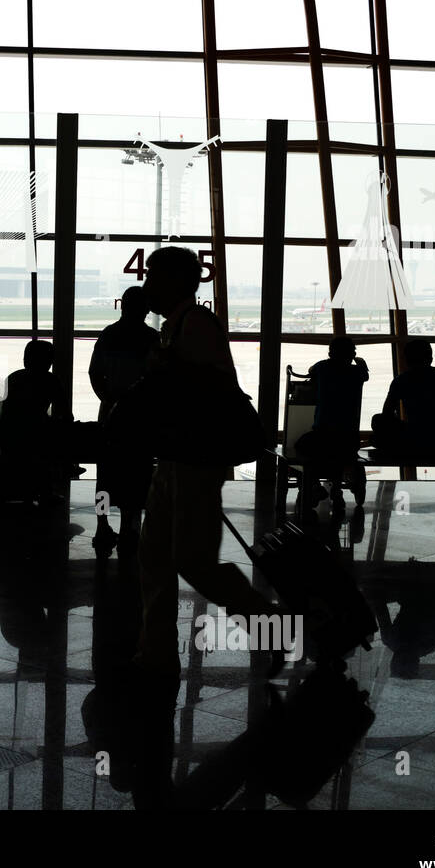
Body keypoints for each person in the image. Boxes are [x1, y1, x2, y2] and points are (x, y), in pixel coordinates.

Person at [136, 246, 275, 676]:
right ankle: (156, 650)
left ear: (177, 282)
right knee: (155, 556)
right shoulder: (176, 327)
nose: (147, 286)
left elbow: (203, 388)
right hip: (176, 458)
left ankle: (270, 627)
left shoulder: (194, 326)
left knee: (191, 560)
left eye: (154, 277)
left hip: (195, 460)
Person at [90, 286, 158, 553]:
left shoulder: (108, 335)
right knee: (139, 474)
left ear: (122, 307)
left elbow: (95, 374)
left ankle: (102, 523)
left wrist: (108, 400)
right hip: (140, 418)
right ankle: (132, 525)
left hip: (111, 415)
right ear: (146, 309)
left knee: (105, 476)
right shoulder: (152, 338)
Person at [0, 339, 71, 503]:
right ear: (48, 361)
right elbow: (64, 411)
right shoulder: (50, 380)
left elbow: (9, 412)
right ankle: (47, 489)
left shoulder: (14, 378)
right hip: (36, 435)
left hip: (10, 434)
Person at [295, 336, 369, 509]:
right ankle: (336, 488)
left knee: (301, 446)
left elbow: (311, 370)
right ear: (352, 354)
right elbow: (365, 374)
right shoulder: (356, 373)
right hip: (348, 438)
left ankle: (313, 485)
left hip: (323, 434)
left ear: (330, 353)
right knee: (340, 454)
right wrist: (361, 362)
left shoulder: (322, 367)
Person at [371, 339, 435, 456]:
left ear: (407, 360)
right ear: (430, 358)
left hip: (414, 438)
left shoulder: (401, 380)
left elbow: (387, 413)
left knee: (377, 420)